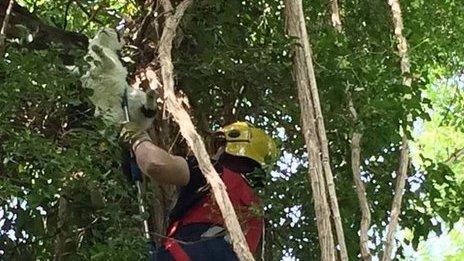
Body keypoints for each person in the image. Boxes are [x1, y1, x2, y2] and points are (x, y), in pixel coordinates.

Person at [120, 121, 278, 260]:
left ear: (229, 146)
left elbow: (155, 164)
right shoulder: (256, 213)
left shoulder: (214, 172)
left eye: (219, 145)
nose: (215, 152)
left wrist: (137, 139)